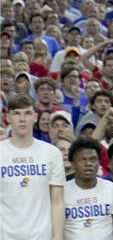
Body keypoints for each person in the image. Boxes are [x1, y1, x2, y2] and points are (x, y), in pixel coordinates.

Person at [0, 94, 67, 240]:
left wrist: (58, 237)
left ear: (35, 117)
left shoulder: (51, 153)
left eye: (27, 113)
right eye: (16, 113)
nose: (22, 119)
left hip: (42, 235)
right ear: (8, 117)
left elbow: (57, 201)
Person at [63, 138, 113, 240]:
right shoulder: (61, 193)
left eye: (93, 159)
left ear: (99, 162)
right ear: (73, 163)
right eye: (82, 160)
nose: (88, 163)